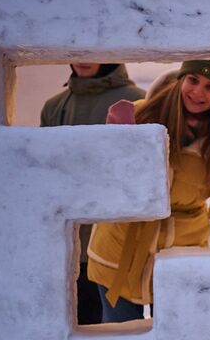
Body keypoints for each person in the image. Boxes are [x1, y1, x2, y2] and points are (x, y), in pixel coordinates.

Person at [87, 59, 210, 340]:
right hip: (119, 250)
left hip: (179, 259)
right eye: (192, 80)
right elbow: (105, 187)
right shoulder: (141, 115)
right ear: (179, 79)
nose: (198, 93)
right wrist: (119, 139)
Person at [40, 63, 145, 325]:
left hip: (122, 251)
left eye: (92, 51)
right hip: (70, 248)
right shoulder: (55, 107)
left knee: (124, 338)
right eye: (76, 52)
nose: (83, 59)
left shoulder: (139, 101)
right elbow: (43, 176)